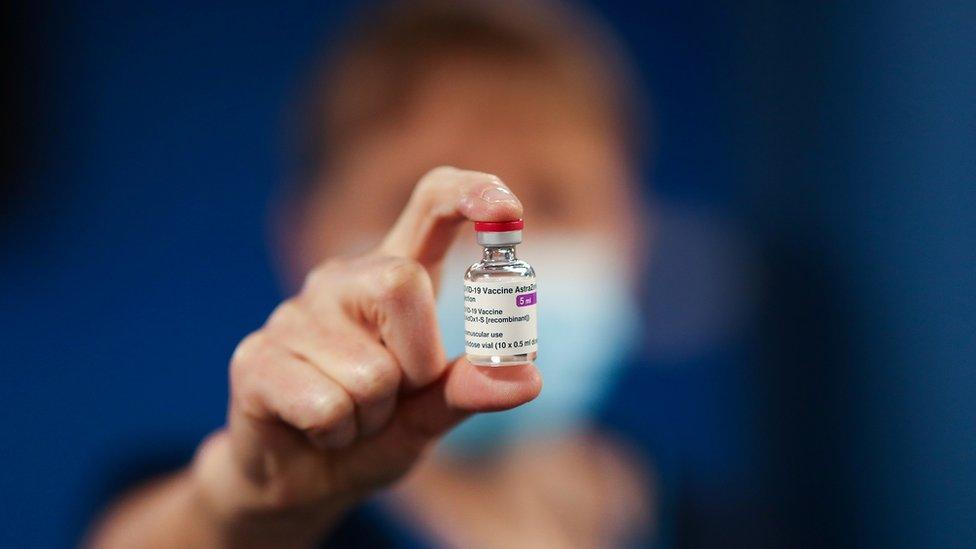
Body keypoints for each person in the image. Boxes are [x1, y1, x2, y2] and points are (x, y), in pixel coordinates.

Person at [88, 1, 654, 547]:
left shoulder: (712, 518)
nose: (495, 237)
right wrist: (245, 511)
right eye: (419, 194)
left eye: (555, 199)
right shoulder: (248, 498)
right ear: (306, 234)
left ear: (635, 231)